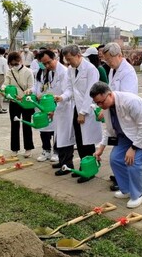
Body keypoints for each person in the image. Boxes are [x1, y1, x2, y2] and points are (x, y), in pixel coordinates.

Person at [91, 82, 142, 208]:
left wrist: (133, 148)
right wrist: (100, 149)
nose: (100, 106)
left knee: (133, 162)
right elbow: (108, 130)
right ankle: (126, 190)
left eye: (101, 102)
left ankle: (138, 194)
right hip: (126, 135)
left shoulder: (130, 101)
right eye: (97, 103)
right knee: (115, 159)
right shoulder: (107, 107)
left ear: (109, 94)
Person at [54, 44, 102, 183]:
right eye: (66, 59)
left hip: (87, 109)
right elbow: (70, 89)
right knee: (80, 141)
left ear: (78, 55)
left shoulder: (90, 69)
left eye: (70, 59)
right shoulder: (70, 69)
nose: (68, 62)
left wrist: (82, 112)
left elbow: (90, 93)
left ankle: (89, 170)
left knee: (88, 142)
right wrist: (62, 97)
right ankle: (83, 167)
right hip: (76, 107)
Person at [102, 42, 139, 191]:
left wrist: (107, 104)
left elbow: (126, 97)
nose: (108, 63)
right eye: (106, 60)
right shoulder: (113, 70)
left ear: (119, 55)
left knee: (126, 154)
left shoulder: (128, 72)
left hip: (126, 116)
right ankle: (121, 179)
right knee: (117, 155)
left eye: (110, 59)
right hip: (115, 115)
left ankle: (126, 182)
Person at [38, 49, 76, 171]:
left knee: (66, 137)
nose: (47, 66)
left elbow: (66, 93)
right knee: (60, 137)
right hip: (58, 108)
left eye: (49, 62)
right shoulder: (51, 72)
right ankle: (62, 161)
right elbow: (52, 91)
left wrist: (56, 107)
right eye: (44, 64)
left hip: (66, 108)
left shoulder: (64, 72)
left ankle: (67, 164)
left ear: (55, 58)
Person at [3, 51, 35, 158]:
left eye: (16, 64)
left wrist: (26, 93)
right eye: (11, 64)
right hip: (14, 102)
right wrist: (2, 89)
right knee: (14, 125)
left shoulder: (28, 72)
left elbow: (31, 87)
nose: (14, 66)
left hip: (25, 102)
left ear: (20, 61)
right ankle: (14, 149)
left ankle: (28, 148)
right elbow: (6, 84)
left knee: (26, 125)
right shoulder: (9, 72)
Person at [33, 50, 59, 163]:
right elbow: (36, 86)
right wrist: (32, 91)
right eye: (40, 62)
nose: (43, 64)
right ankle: (46, 150)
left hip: (50, 105)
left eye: (43, 62)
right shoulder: (39, 73)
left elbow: (54, 89)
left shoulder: (54, 73)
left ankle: (56, 151)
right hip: (41, 106)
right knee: (43, 129)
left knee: (56, 130)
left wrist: (44, 96)